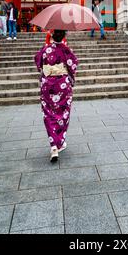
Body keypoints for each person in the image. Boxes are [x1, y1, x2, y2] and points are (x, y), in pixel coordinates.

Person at [35, 29, 78, 162]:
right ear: (64, 36)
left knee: (48, 113)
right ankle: (60, 142)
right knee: (63, 112)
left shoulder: (45, 49)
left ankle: (53, 145)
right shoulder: (66, 49)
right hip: (62, 85)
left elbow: (37, 62)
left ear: (51, 36)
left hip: (47, 85)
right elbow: (74, 64)